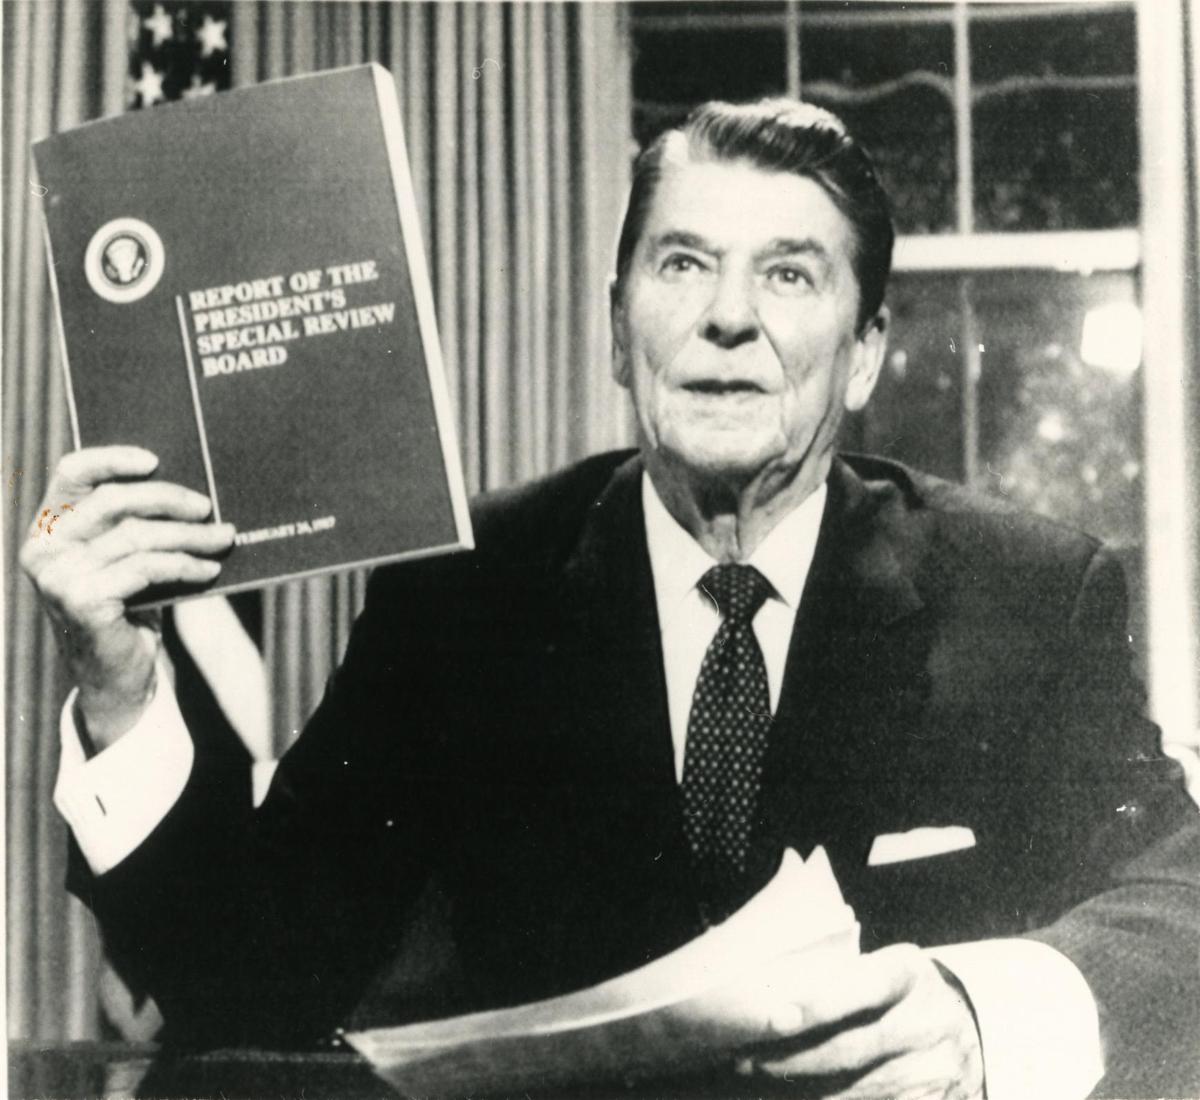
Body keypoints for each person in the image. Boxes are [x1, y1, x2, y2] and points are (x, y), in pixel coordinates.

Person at [21, 98, 1200, 1099]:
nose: (727, 314)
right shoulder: (467, 589)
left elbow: (1181, 894)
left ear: (867, 351)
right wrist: (120, 683)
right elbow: (247, 980)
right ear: (619, 327)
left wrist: (985, 1006)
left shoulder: (1028, 592)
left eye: (789, 273)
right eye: (682, 263)